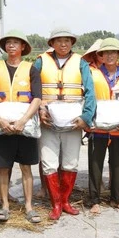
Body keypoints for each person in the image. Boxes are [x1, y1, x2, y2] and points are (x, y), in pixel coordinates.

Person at [35, 29, 96, 220]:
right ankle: (56, 204)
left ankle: (66, 201)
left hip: (73, 121)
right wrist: (39, 111)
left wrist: (86, 118)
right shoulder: (40, 62)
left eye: (67, 41)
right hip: (48, 120)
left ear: (72, 43)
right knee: (48, 162)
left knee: (71, 162)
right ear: (51, 43)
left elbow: (90, 92)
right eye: (59, 41)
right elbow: (31, 90)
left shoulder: (81, 63)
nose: (63, 44)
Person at [0, 30, 43, 224]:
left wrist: (23, 120)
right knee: (2, 167)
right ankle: (5, 206)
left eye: (16, 43)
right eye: (8, 43)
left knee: (26, 167)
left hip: (24, 126)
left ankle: (29, 207)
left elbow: (37, 98)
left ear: (23, 47)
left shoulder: (31, 69)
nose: (12, 46)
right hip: (2, 126)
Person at [87, 38, 119, 214]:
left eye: (113, 52)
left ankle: (116, 199)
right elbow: (87, 98)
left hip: (118, 128)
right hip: (98, 127)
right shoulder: (92, 74)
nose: (109, 56)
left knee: (117, 164)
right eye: (106, 53)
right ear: (100, 55)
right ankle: (94, 200)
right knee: (95, 164)